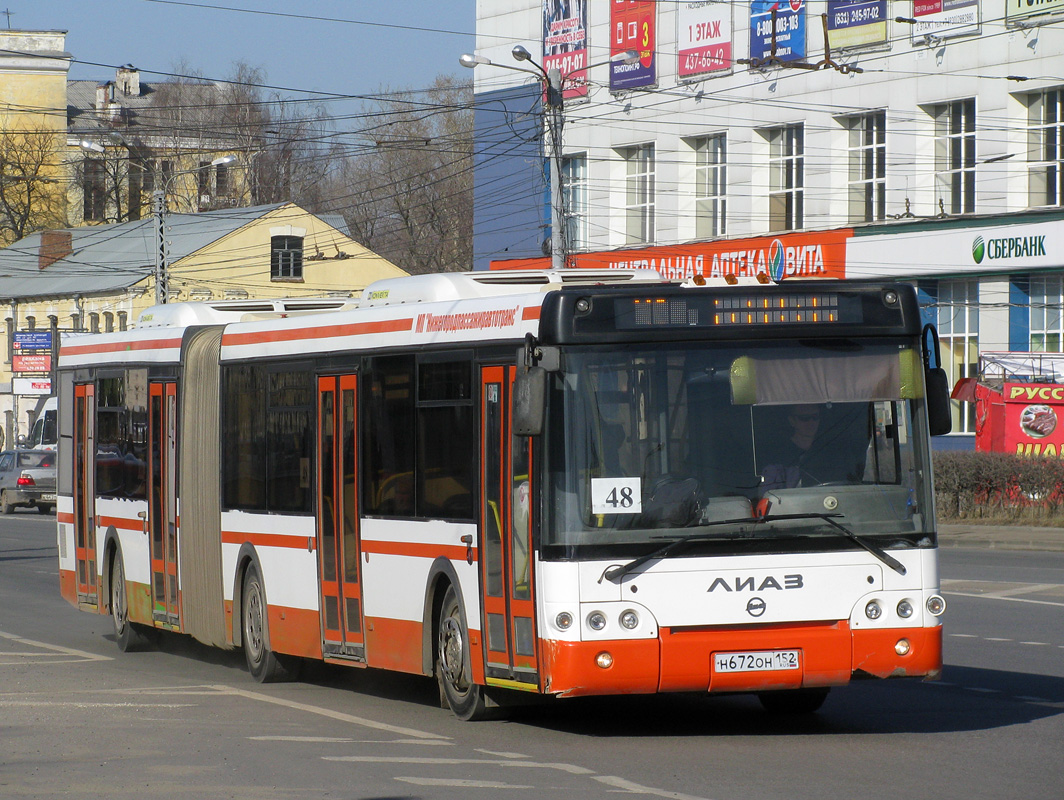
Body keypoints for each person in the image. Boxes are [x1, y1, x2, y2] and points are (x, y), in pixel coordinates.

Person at [761, 404, 821, 490]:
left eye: (815, 417)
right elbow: (771, 494)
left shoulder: (829, 450)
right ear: (792, 421)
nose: (811, 422)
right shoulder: (778, 456)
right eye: (804, 418)